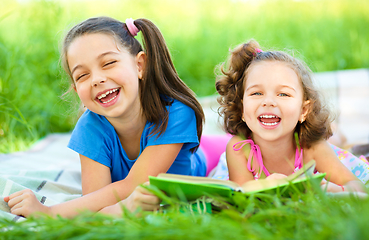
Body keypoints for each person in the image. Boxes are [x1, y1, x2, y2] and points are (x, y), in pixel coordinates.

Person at [4, 17, 207, 217]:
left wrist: (49, 212)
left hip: (198, 163)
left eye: (108, 63)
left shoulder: (176, 113)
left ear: (140, 65)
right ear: (76, 91)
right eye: (82, 75)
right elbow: (95, 201)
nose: (97, 79)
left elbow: (133, 185)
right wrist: (119, 210)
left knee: (220, 149)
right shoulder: (90, 127)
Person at [213, 40, 366, 193]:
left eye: (283, 94)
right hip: (230, 167)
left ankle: (337, 132)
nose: (268, 102)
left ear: (303, 110)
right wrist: (266, 185)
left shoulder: (312, 147)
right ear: (241, 109)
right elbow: (241, 193)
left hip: (308, 141)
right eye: (257, 93)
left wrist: (335, 189)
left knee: (332, 140)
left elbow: (359, 188)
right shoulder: (239, 148)